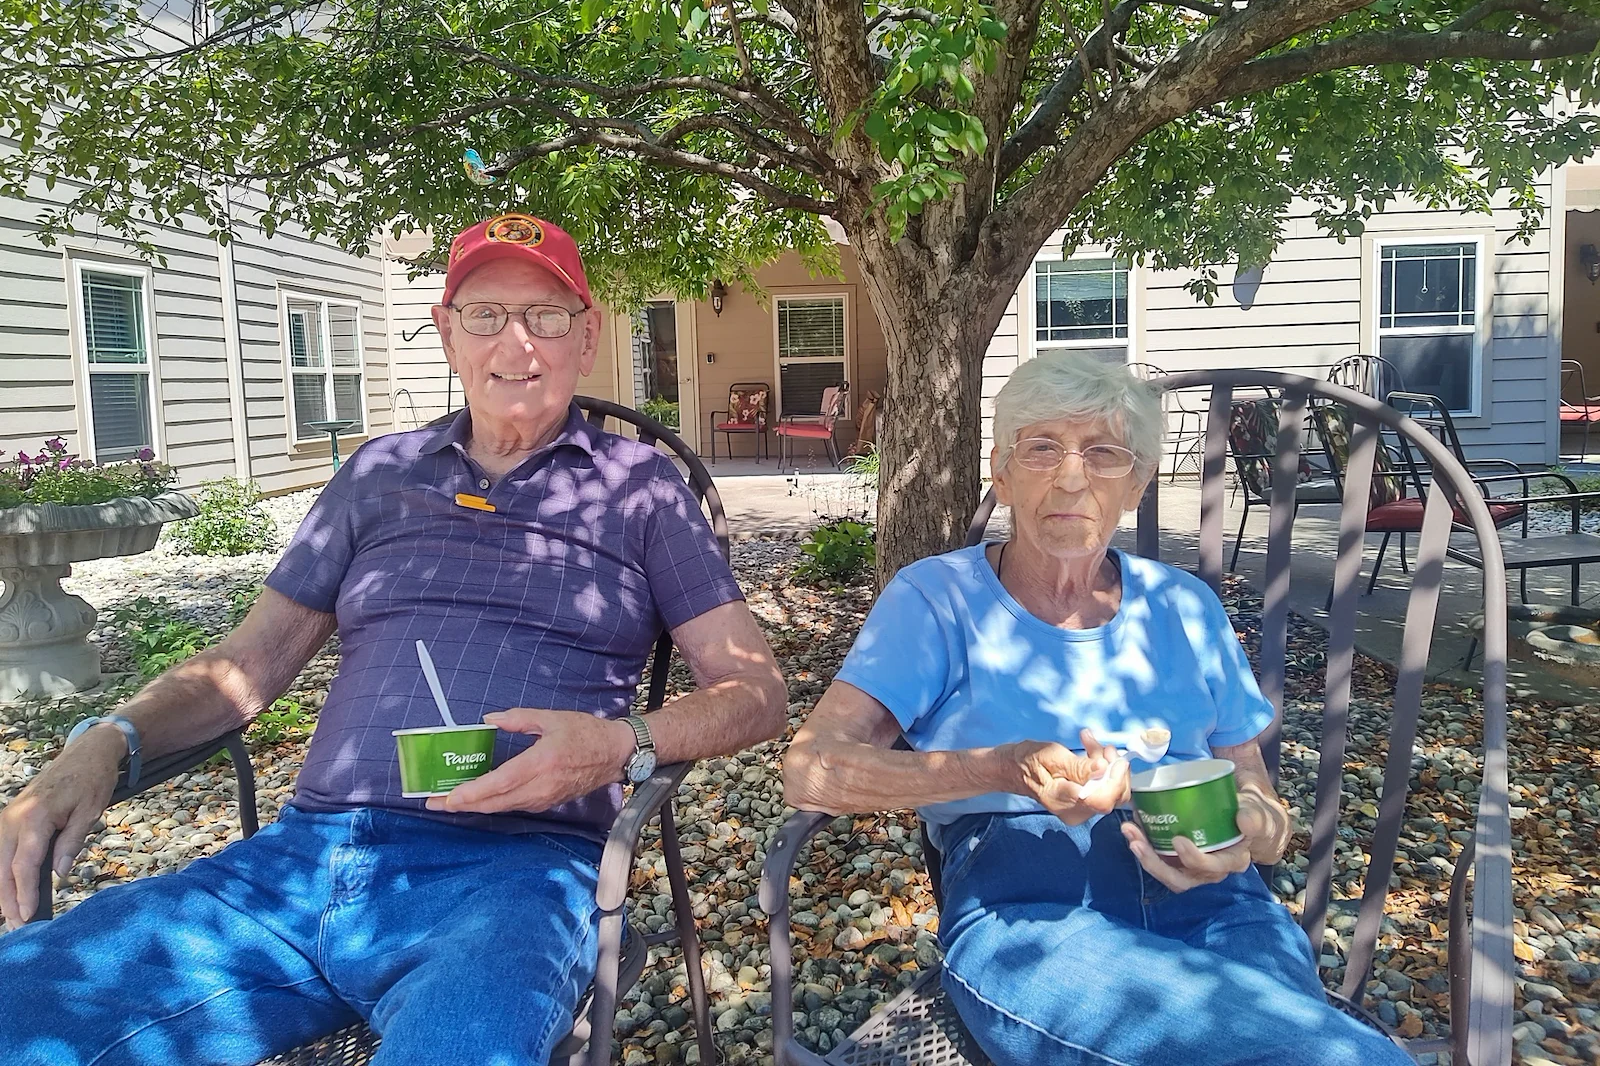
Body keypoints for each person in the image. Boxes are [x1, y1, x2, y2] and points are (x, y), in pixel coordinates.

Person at [0, 212, 788, 1066]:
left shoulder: (639, 490)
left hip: (515, 876)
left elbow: (756, 694)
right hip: (292, 869)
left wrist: (618, 744)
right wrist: (105, 743)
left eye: (545, 316)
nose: (516, 343)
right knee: (30, 1002)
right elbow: (244, 665)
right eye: (485, 315)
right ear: (449, 335)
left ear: (587, 336)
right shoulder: (377, 473)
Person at [783, 353, 1411, 1066]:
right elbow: (811, 769)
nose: (1072, 477)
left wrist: (1249, 839)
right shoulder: (937, 601)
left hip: (1216, 904)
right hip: (1033, 906)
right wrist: (1003, 768)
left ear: (1138, 483)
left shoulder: (1185, 607)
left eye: (1104, 454)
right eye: (1043, 447)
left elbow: (1259, 800)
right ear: (1002, 471)